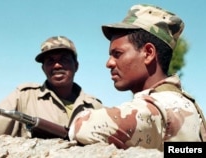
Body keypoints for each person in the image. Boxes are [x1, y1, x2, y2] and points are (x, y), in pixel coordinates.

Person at [68, 4, 206, 151]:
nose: (109, 63)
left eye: (118, 54)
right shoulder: (183, 102)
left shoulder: (157, 106)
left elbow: (82, 127)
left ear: (148, 53)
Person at [0, 36, 103, 138]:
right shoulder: (24, 97)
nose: (57, 65)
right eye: (50, 61)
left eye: (64, 59)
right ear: (43, 68)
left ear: (76, 66)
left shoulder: (94, 106)